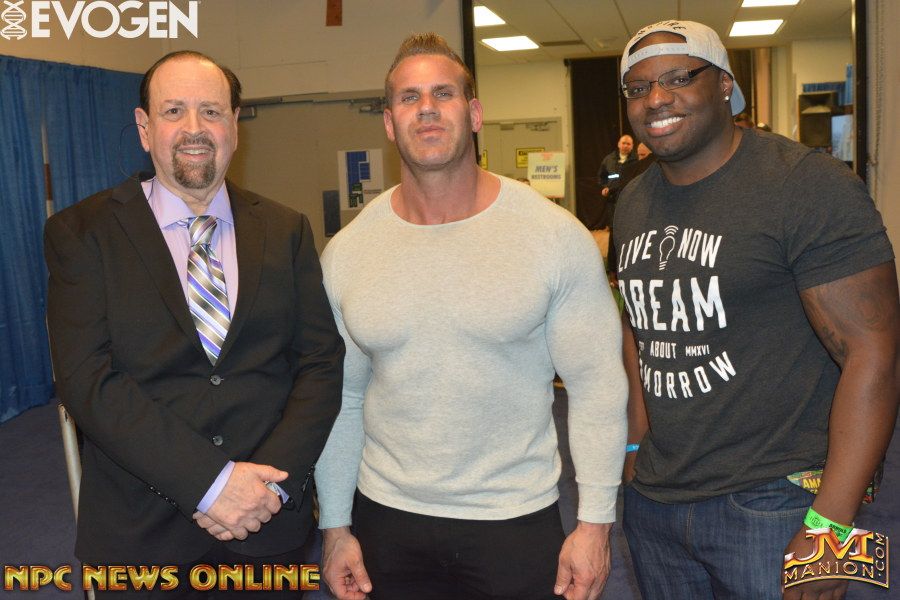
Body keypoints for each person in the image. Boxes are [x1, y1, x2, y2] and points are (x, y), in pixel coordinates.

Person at [314, 33, 627, 600]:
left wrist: (595, 524)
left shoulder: (552, 236)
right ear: (389, 123)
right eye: (409, 97)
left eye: (443, 94)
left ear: (475, 113)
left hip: (514, 519)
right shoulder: (348, 252)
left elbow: (596, 387)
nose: (426, 108)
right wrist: (335, 526)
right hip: (386, 520)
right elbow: (344, 398)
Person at [613, 20, 898, 600]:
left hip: (779, 498)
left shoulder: (804, 183)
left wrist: (832, 528)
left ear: (724, 84)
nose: (656, 99)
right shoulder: (633, 200)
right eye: (638, 88)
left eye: (677, 78)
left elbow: (874, 352)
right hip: (657, 501)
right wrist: (636, 443)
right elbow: (638, 328)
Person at [44, 51, 344, 597]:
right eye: (173, 111)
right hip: (141, 536)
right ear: (144, 128)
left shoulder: (286, 230)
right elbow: (87, 380)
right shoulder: (82, 233)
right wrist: (211, 484)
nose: (194, 128)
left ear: (235, 125)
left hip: (267, 525)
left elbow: (321, 364)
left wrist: (268, 488)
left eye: (211, 111)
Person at [596, 134, 637, 229]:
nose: (625, 146)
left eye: (628, 144)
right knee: (614, 227)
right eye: (623, 143)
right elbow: (602, 176)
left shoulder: (637, 159)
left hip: (631, 199)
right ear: (619, 144)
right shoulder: (609, 159)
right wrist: (605, 187)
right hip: (612, 200)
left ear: (632, 146)